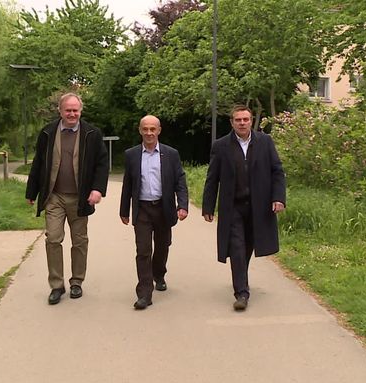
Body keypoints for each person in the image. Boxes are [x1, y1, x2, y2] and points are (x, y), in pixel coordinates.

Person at [26, 93, 109, 305]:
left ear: (80, 111)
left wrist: (97, 189)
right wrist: (31, 191)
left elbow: (101, 163)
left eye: (75, 110)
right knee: (53, 238)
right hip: (54, 197)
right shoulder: (47, 133)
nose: (72, 114)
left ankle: (76, 282)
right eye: (68, 110)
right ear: (60, 111)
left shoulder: (92, 133)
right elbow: (38, 162)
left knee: (79, 241)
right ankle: (56, 285)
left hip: (80, 198)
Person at [202, 105, 286, 311]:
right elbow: (212, 178)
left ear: (251, 121)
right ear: (232, 122)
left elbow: (277, 171)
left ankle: (241, 277)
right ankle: (241, 292)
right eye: (238, 120)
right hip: (233, 207)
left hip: (258, 206)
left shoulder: (264, 142)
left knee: (248, 245)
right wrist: (208, 206)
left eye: (245, 119)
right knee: (237, 247)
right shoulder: (221, 146)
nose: (242, 123)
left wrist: (278, 197)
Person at [120, 115, 189, 310]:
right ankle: (144, 293)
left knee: (162, 246)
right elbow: (128, 184)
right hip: (142, 209)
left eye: (153, 129)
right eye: (145, 129)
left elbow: (180, 182)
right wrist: (124, 210)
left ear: (159, 131)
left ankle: (159, 274)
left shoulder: (171, 154)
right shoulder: (132, 155)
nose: (149, 133)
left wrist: (182, 205)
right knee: (143, 251)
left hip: (163, 208)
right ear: (140, 130)